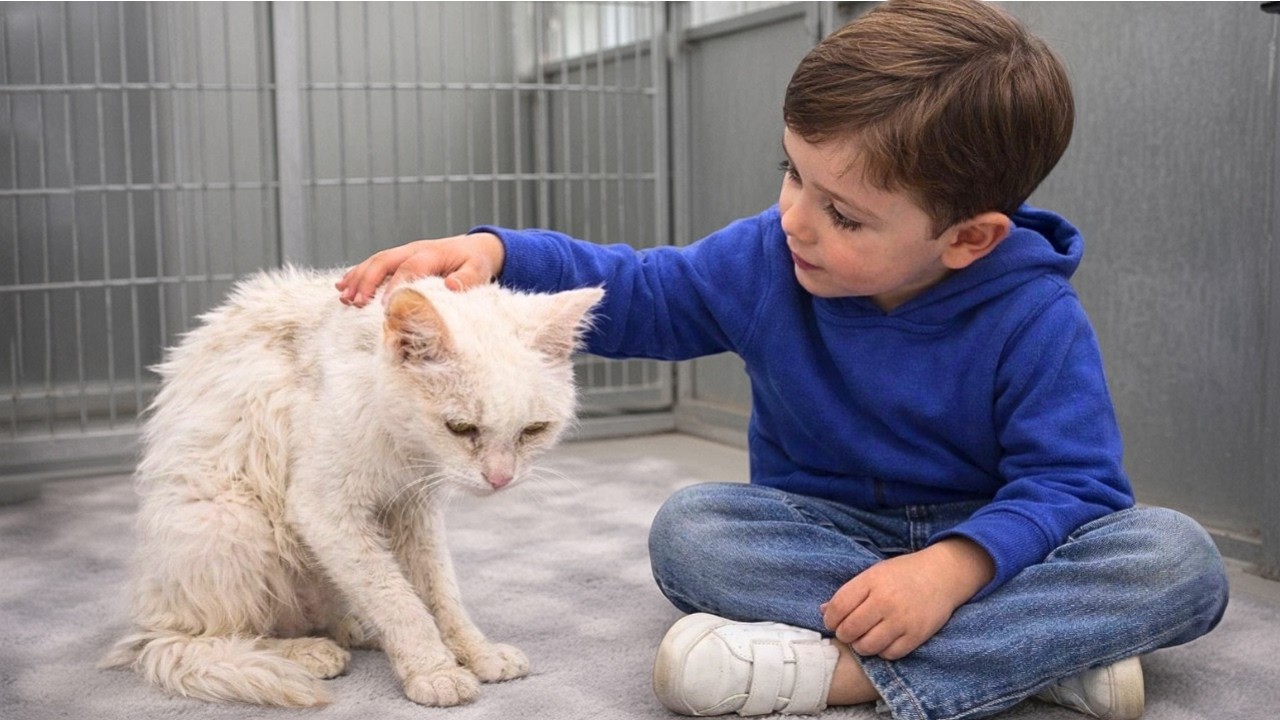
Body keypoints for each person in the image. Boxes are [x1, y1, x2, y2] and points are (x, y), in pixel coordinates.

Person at [335, 1, 1229, 718]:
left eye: (844, 214)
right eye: (792, 172)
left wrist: (951, 572)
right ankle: (1046, 660)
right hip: (823, 540)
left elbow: (1074, 490)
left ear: (968, 239)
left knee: (1174, 559)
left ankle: (840, 676)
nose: (796, 217)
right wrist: (499, 255)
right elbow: (645, 290)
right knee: (692, 532)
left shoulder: (1035, 315)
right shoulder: (770, 256)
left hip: (997, 551)